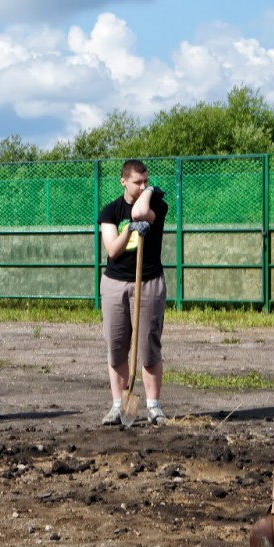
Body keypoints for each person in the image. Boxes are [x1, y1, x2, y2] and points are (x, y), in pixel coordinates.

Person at [97, 159, 169, 426]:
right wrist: (128, 228)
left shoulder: (156, 203)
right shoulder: (110, 211)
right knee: (116, 347)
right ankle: (118, 405)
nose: (142, 186)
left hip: (148, 281)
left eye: (146, 181)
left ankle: (153, 406)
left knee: (148, 347)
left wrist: (150, 192)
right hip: (116, 283)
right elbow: (113, 251)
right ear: (123, 181)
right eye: (137, 182)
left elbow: (140, 213)